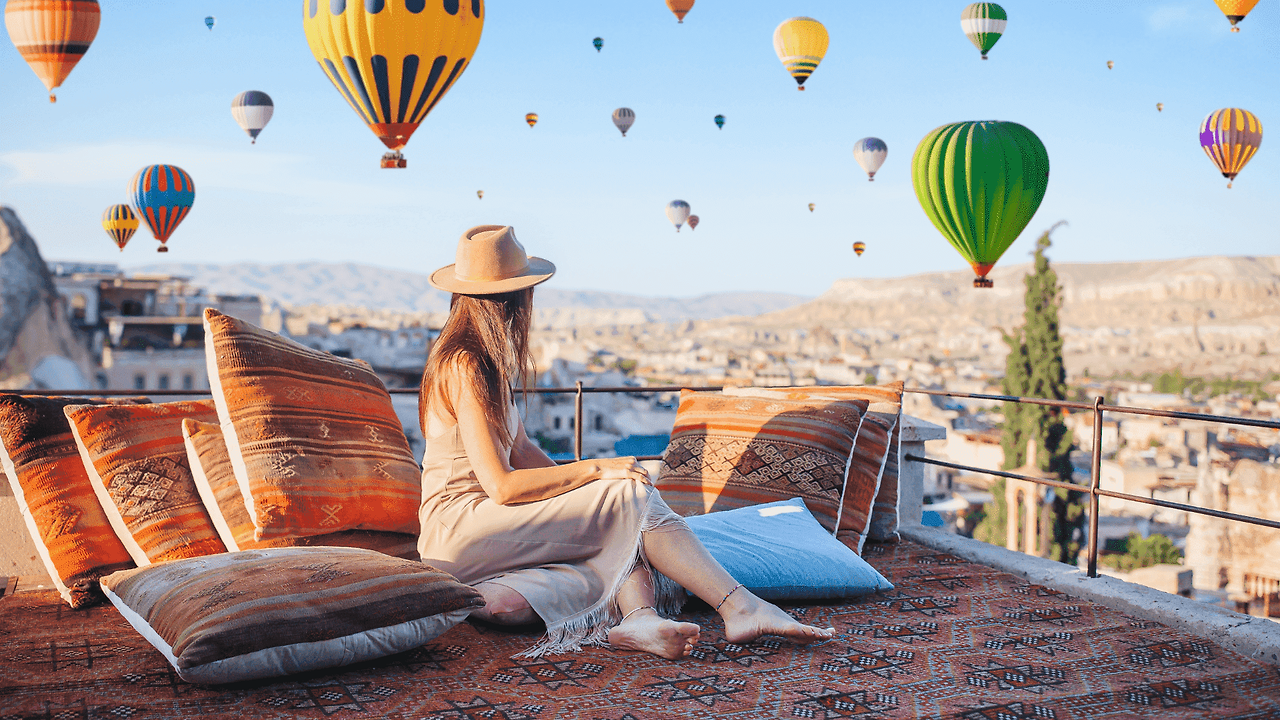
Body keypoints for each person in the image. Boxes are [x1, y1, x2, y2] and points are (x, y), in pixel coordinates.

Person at [417, 225, 835, 659]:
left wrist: (587, 493)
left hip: (486, 526)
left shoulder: (484, 363)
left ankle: (639, 621)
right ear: (518, 297)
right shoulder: (464, 364)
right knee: (628, 495)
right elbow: (502, 485)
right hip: (461, 527)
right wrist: (599, 472)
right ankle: (739, 606)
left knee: (514, 600)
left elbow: (523, 452)